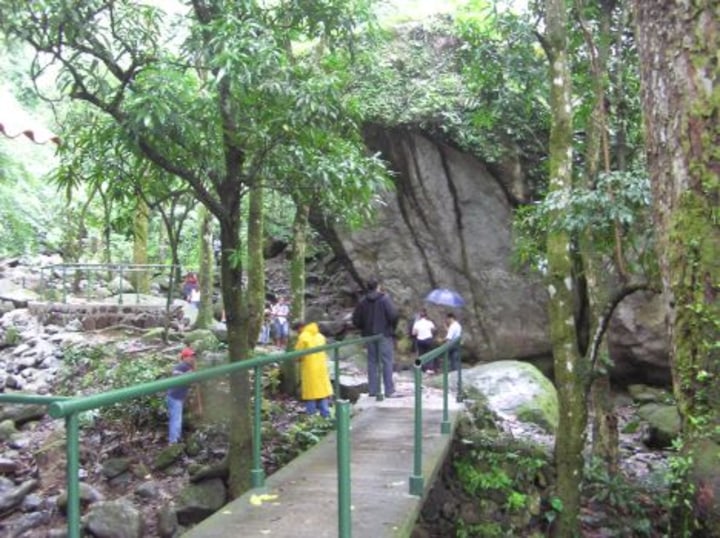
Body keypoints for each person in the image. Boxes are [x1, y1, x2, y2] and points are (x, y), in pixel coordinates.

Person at [352, 277, 401, 398]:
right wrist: (391, 328)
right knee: (387, 362)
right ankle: (389, 390)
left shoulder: (363, 302)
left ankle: (373, 390)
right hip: (383, 335)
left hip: (369, 336)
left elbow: (356, 320)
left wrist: (363, 329)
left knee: (372, 362)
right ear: (378, 286)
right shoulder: (385, 299)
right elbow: (394, 315)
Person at [294, 321, 333, 418]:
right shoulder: (320, 336)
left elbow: (298, 355)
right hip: (321, 368)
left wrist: (296, 360)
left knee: (310, 394)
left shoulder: (303, 337)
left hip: (310, 369)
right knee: (322, 392)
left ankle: (311, 418)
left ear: (300, 328)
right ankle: (326, 417)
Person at [167, 346, 196, 444]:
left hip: (178, 397)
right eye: (190, 356)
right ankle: (173, 442)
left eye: (193, 356)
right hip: (174, 397)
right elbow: (176, 376)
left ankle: (176, 440)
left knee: (177, 418)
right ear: (184, 357)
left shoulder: (189, 368)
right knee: (176, 419)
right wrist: (189, 374)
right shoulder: (182, 366)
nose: (192, 358)